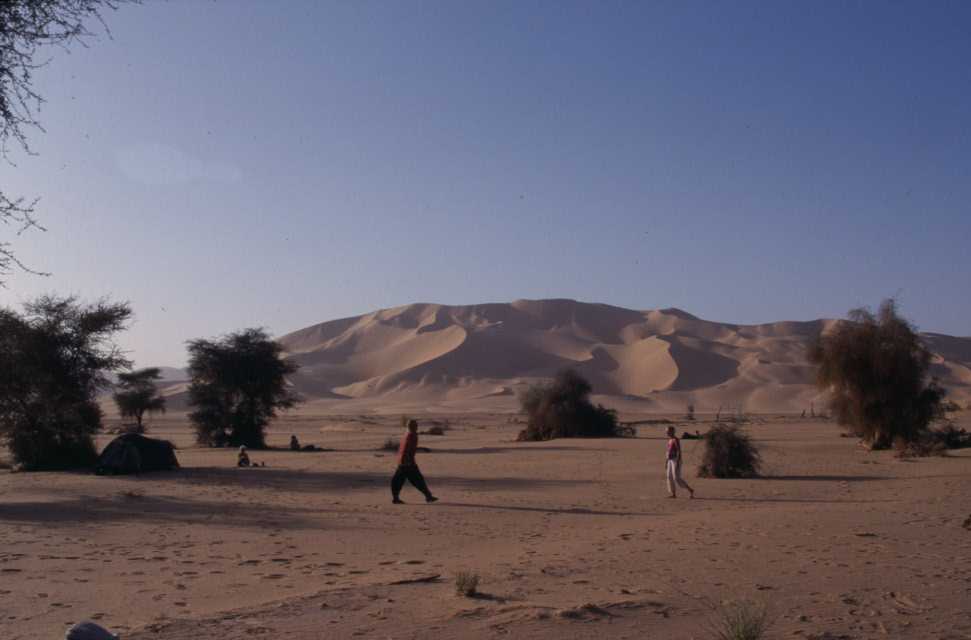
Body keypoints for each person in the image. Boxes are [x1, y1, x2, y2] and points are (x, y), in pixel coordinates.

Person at [391, 419, 438, 504]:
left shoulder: (407, 434)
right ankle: (428, 496)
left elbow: (408, 448)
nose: (416, 427)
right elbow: (408, 448)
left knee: (398, 480)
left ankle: (396, 498)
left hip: (403, 462)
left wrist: (421, 448)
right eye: (415, 425)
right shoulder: (412, 435)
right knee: (417, 480)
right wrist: (408, 461)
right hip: (408, 463)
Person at [665, 425, 694, 499]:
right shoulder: (670, 440)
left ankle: (690, 490)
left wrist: (677, 462)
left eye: (668, 431)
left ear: (672, 431)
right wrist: (666, 461)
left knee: (676, 478)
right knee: (669, 477)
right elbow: (668, 451)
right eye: (666, 431)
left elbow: (678, 451)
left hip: (675, 460)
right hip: (670, 460)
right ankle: (673, 493)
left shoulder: (675, 439)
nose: (667, 432)